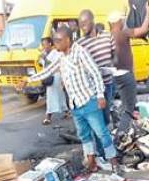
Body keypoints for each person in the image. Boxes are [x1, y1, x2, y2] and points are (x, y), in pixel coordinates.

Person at [18, 27, 119, 173]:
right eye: (54, 41)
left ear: (67, 40)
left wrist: (100, 95)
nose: (55, 44)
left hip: (89, 101)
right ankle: (91, 162)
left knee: (101, 133)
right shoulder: (61, 56)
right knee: (84, 135)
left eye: (58, 41)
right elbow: (48, 71)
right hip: (75, 104)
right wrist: (28, 79)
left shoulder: (80, 52)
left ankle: (113, 162)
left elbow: (95, 72)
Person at [108, 1, 149, 136]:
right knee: (129, 108)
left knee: (121, 105)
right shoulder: (123, 33)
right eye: (122, 20)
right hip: (125, 75)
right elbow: (143, 30)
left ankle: (121, 129)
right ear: (117, 22)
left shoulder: (109, 34)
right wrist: (148, 12)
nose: (123, 21)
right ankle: (121, 135)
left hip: (114, 75)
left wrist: (128, 11)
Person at [78, 9, 116, 151]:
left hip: (108, 83)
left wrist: (112, 66)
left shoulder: (107, 36)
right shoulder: (80, 43)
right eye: (80, 24)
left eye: (85, 23)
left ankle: (105, 149)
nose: (83, 27)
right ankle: (102, 153)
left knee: (105, 119)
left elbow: (114, 55)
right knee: (96, 122)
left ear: (92, 21)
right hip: (92, 89)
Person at [38, 37, 68, 125]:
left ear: (50, 44)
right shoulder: (44, 53)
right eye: (42, 45)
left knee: (51, 97)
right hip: (48, 76)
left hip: (56, 77)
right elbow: (41, 64)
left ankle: (48, 117)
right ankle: (66, 111)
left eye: (45, 44)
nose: (43, 46)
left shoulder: (56, 53)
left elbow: (56, 65)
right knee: (59, 96)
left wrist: (44, 58)